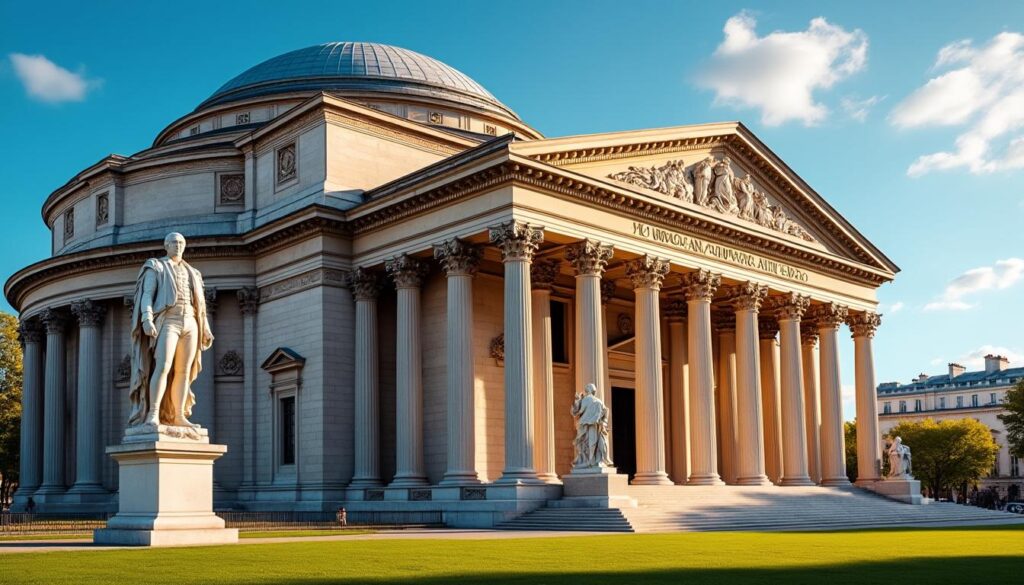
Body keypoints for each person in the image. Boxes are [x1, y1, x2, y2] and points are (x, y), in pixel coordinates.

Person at [128, 232, 214, 428]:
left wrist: (206, 327)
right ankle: (153, 413)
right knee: (163, 365)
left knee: (183, 371)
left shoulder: (193, 272)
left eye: (182, 242)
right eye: (174, 242)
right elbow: (147, 296)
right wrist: (147, 318)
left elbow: (200, 305)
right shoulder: (156, 266)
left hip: (191, 321)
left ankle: (178, 415)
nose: (178, 246)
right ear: (166, 245)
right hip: (168, 319)